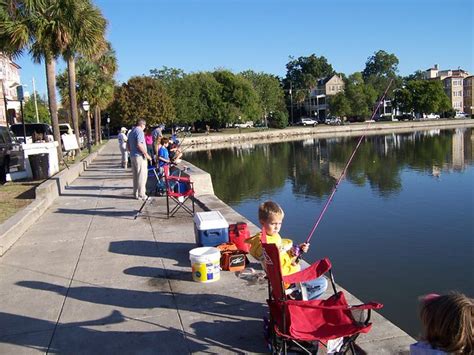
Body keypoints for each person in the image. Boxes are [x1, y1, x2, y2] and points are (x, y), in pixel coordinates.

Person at [246, 201, 328, 300]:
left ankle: (294, 295)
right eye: (273, 223)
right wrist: (283, 252)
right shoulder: (262, 242)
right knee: (322, 283)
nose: (277, 227)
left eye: (279, 223)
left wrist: (295, 251)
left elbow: (280, 257)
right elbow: (265, 254)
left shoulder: (272, 236)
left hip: (287, 269)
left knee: (315, 273)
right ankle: (297, 303)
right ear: (262, 222)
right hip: (287, 276)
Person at [127, 119, 151, 200]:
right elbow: (139, 144)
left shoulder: (131, 132)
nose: (145, 128)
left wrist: (132, 152)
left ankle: (136, 193)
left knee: (135, 176)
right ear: (142, 125)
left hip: (133, 156)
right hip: (140, 156)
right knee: (142, 176)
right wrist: (146, 154)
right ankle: (142, 194)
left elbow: (128, 146)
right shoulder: (139, 131)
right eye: (145, 126)